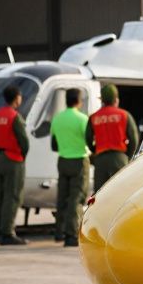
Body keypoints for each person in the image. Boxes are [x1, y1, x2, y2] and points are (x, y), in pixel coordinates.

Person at [0, 84, 29, 246]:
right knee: (12, 197)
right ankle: (7, 232)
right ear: (16, 98)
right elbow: (24, 142)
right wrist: (22, 156)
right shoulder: (15, 117)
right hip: (13, 158)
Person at [50, 88, 90, 247]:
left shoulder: (57, 119)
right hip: (79, 160)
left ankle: (59, 232)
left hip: (63, 161)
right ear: (79, 101)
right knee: (77, 198)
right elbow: (89, 141)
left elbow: (54, 144)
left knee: (62, 197)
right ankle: (71, 234)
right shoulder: (82, 119)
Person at [87, 84, 139, 192]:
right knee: (121, 193)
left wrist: (95, 150)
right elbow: (134, 139)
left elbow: (87, 139)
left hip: (101, 161)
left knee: (100, 194)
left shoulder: (93, 117)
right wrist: (127, 156)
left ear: (102, 100)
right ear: (116, 99)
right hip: (120, 159)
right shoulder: (125, 115)